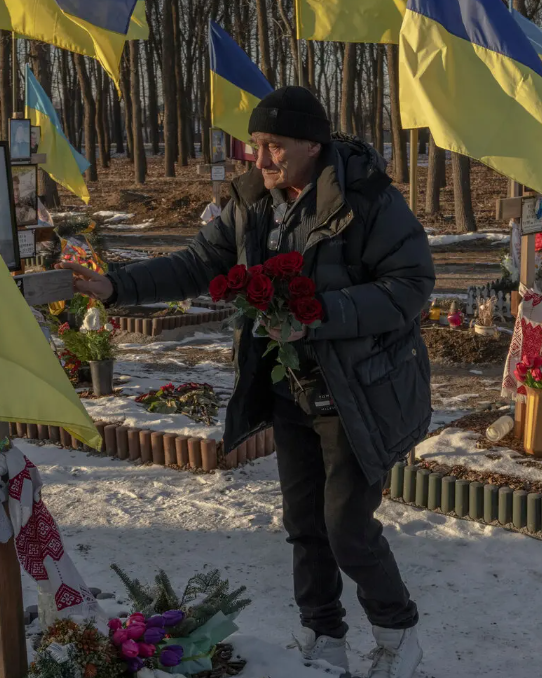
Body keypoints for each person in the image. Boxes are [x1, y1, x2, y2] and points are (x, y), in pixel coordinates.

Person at [63, 86, 432, 678]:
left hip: (357, 391)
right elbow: (198, 264)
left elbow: (411, 283)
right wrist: (117, 287)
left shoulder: (367, 199)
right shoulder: (250, 202)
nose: (259, 159)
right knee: (304, 526)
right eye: (255, 145)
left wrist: (318, 312)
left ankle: (397, 633)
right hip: (289, 389)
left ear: (313, 145)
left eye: (273, 146)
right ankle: (324, 638)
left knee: (346, 528)